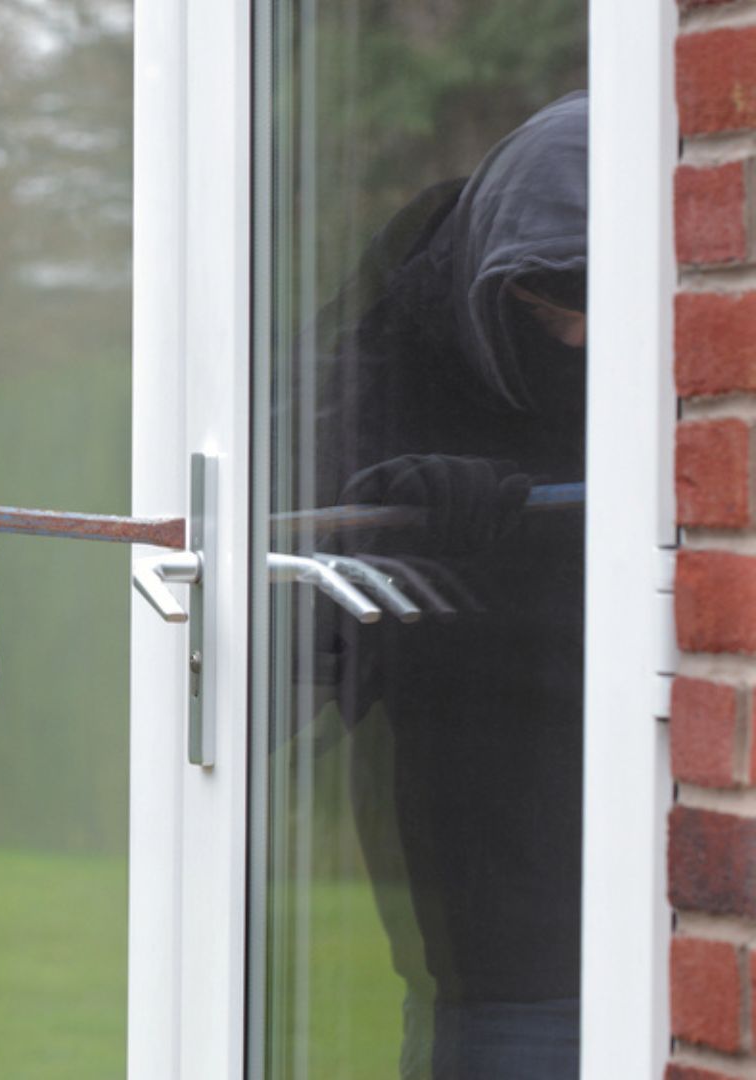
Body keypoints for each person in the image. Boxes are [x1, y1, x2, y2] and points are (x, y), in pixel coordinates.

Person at [301, 91, 588, 1080]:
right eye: (549, 312)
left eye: (603, 311)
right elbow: (299, 601)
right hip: (490, 871)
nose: (580, 343)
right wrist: (400, 519)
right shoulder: (400, 337)